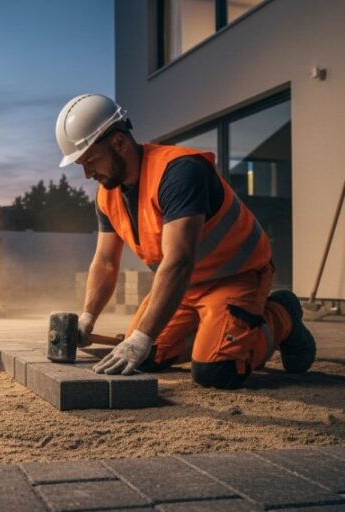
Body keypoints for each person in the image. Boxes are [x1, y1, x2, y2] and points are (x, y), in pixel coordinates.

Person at [55, 93, 315, 389]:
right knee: (145, 357)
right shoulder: (107, 194)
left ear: (118, 142)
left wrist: (140, 337)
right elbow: (105, 261)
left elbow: (178, 261)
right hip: (184, 287)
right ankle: (213, 332)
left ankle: (282, 316)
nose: (87, 173)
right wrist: (89, 317)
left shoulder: (180, 172)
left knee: (217, 372)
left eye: (90, 160)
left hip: (236, 277)